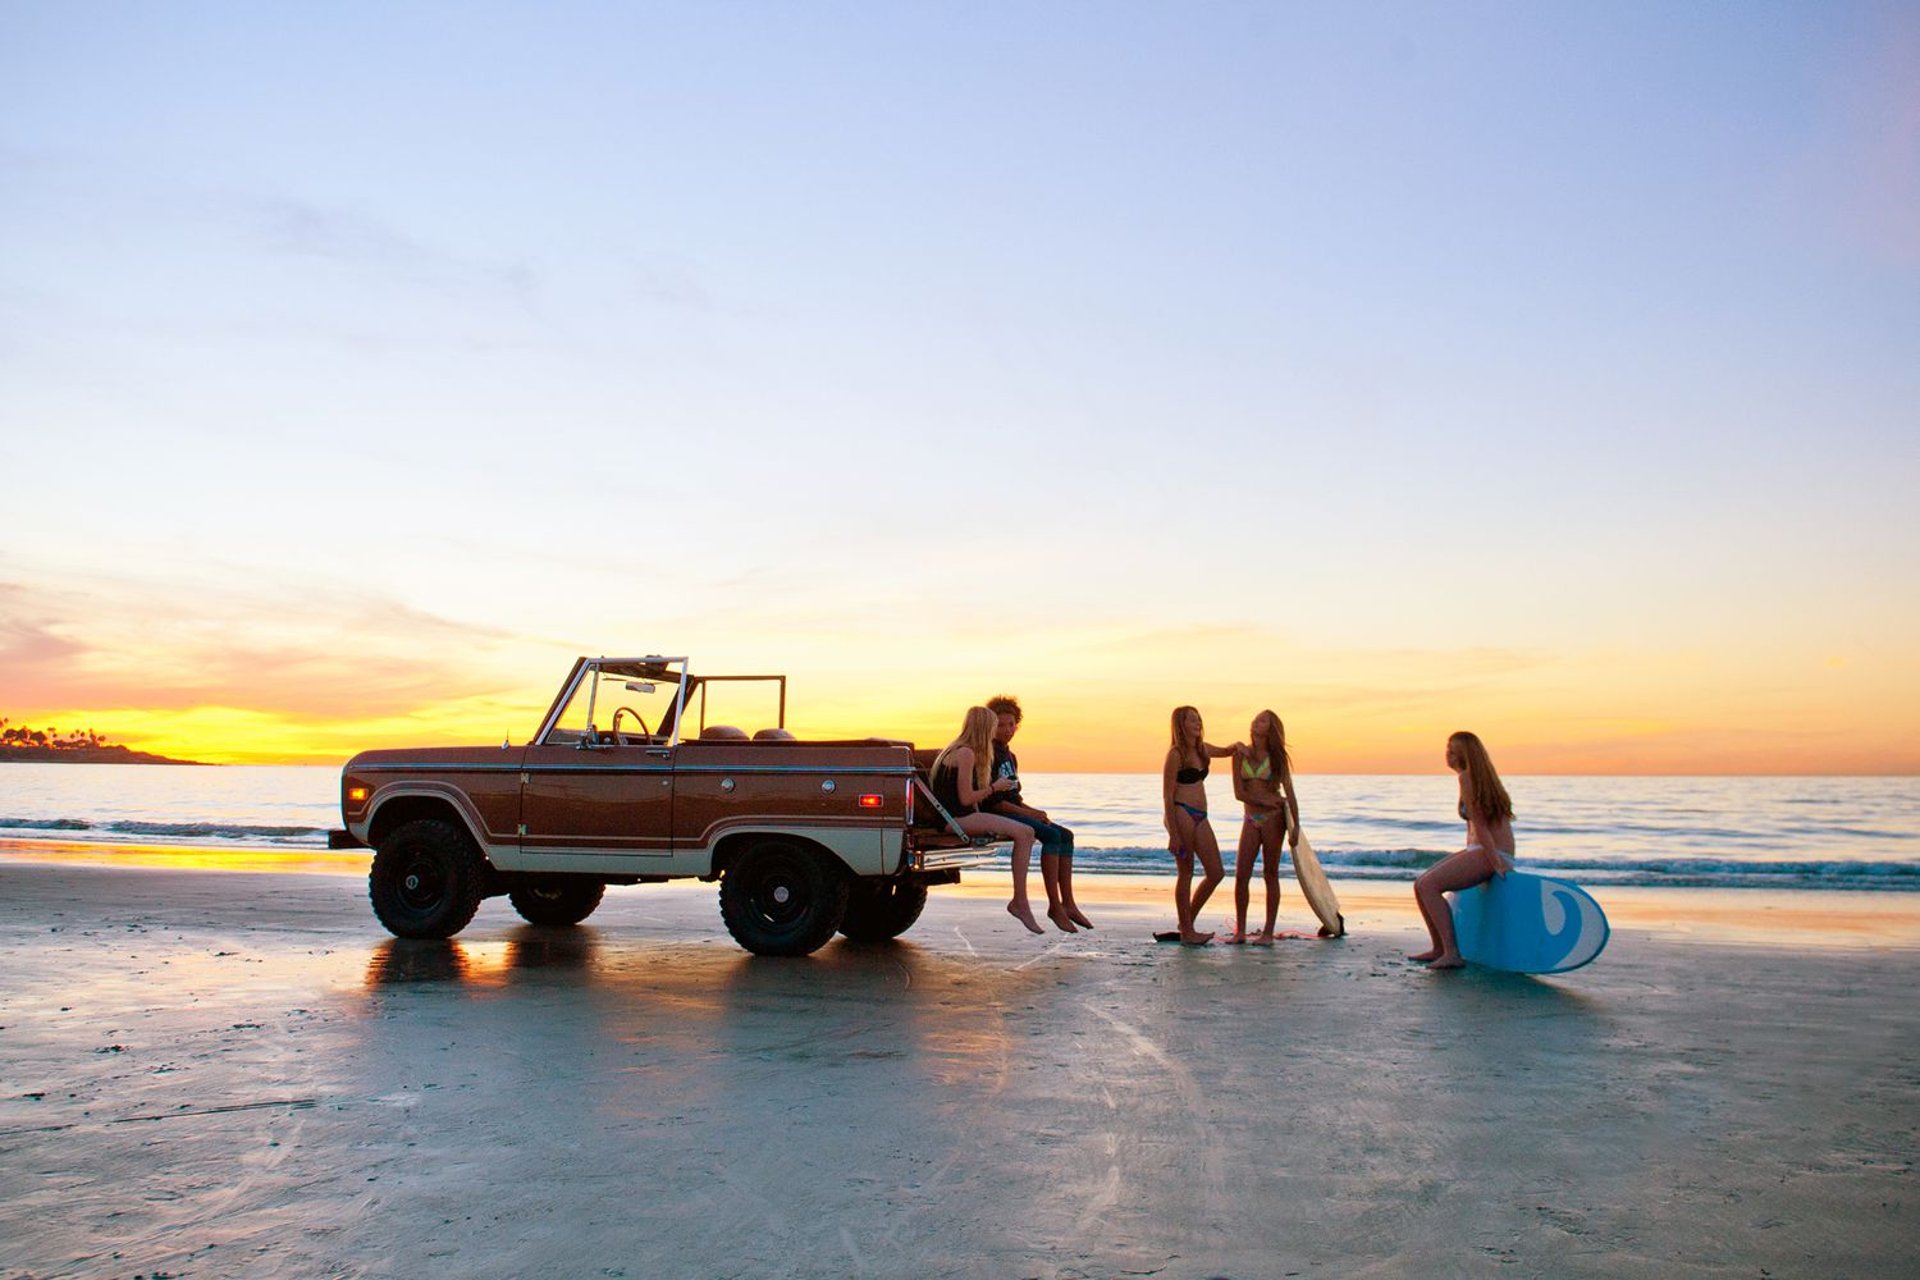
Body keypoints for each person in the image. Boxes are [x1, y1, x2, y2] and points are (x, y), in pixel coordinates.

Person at [929, 706, 1044, 935]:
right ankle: (1019, 902)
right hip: (957, 820)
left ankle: (1020, 901)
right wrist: (995, 787)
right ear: (984, 728)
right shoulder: (965, 753)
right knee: (1025, 833)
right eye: (994, 726)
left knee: (1027, 832)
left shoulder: (957, 749)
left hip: (961, 815)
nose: (997, 732)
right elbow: (965, 798)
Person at [982, 695, 1090, 933]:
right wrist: (1028, 814)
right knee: (1050, 836)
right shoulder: (988, 755)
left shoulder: (1010, 756)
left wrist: (1033, 811)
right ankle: (1054, 906)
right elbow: (995, 803)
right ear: (990, 726)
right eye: (1001, 725)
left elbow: (1014, 795)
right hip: (997, 813)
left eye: (1011, 724)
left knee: (1066, 835)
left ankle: (1068, 903)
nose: (1008, 729)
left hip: (1014, 809)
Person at [1409, 730, 1516, 969]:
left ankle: (1451, 953)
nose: (1447, 755)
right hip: (1485, 851)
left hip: (1489, 852)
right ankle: (1439, 948)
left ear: (1464, 756)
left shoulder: (1467, 778)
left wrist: (1496, 863)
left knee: (1428, 886)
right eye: (1447, 750)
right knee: (1420, 884)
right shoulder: (1481, 778)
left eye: (1453, 751)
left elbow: (1480, 825)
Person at [1161, 705, 1236, 944]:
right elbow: (1167, 795)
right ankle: (1187, 932)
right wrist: (1173, 834)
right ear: (1180, 725)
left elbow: (1226, 751)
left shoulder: (1202, 750)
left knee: (1216, 872)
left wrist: (1243, 747)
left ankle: (1186, 923)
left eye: (1198, 719)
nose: (1197, 723)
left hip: (1201, 816)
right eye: (1191, 720)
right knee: (1186, 872)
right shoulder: (1175, 754)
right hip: (1180, 812)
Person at [1227, 709, 1301, 944]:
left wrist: (1296, 826)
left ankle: (1268, 933)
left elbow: (1289, 792)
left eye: (1262, 720)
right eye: (1256, 719)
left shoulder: (1277, 757)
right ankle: (1240, 931)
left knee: (1270, 874)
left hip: (1273, 819)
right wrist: (1263, 800)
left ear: (1271, 729)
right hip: (1251, 818)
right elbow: (1239, 793)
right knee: (1241, 875)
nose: (1255, 722)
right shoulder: (1240, 754)